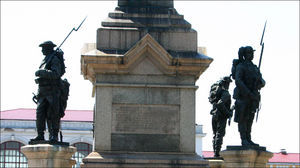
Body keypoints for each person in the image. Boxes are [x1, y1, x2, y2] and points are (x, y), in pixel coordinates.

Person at [30, 41, 68, 142]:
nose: (42, 50)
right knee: (40, 113)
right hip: (42, 91)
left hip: (52, 91)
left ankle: (54, 135)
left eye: (43, 48)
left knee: (53, 114)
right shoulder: (45, 59)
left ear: (49, 48)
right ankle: (40, 135)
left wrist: (42, 72)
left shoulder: (54, 59)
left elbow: (56, 74)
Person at [232, 46, 265, 146]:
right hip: (243, 96)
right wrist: (248, 93)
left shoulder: (255, 68)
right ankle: (244, 138)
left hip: (253, 97)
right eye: (249, 53)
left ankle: (248, 137)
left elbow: (262, 81)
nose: (252, 55)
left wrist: (260, 83)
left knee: (250, 117)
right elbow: (238, 80)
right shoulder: (241, 66)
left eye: (252, 53)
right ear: (244, 55)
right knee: (243, 118)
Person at [209, 76, 233, 157]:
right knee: (219, 134)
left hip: (214, 115)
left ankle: (215, 152)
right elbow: (220, 103)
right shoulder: (225, 94)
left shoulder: (217, 94)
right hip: (221, 116)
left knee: (215, 134)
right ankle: (217, 153)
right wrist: (228, 113)